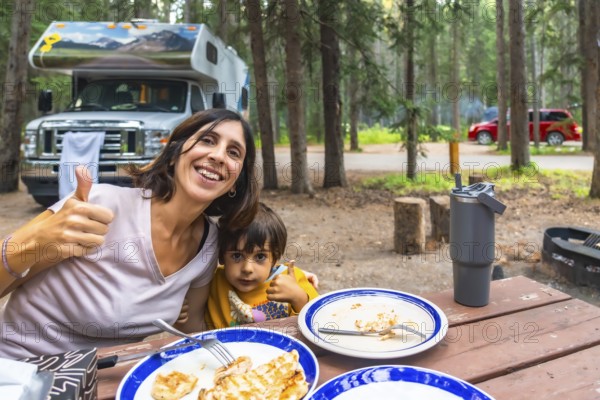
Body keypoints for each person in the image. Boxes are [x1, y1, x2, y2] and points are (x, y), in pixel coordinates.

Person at [0, 109, 259, 359]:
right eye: (207, 140)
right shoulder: (102, 205)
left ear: (235, 182)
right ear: (173, 155)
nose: (218, 155)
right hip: (19, 370)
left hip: (106, 381)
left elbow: (191, 329)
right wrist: (36, 242)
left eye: (233, 152)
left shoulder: (209, 244)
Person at [203, 202, 319, 329]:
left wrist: (299, 298)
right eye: (237, 256)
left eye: (260, 257)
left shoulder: (292, 279)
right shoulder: (212, 281)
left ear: (274, 258)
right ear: (221, 256)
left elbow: (320, 321)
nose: (247, 268)